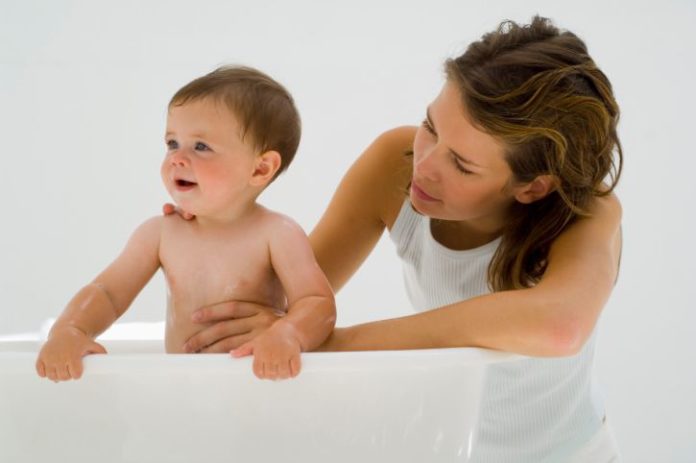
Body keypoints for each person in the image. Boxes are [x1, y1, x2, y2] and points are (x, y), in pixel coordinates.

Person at [171, 16, 623, 462]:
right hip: (450, 447)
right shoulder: (396, 161)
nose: (424, 166)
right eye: (431, 126)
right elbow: (274, 302)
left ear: (533, 187)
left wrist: (333, 343)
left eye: (462, 165)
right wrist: (213, 221)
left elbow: (560, 328)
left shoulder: (586, 214)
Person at [35, 66, 336, 382]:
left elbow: (317, 303)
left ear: (260, 169)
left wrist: (288, 334)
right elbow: (107, 293)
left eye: (201, 146)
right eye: (172, 143)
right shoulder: (162, 233)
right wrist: (70, 329)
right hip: (183, 389)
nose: (177, 158)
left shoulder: (277, 234)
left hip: (258, 386)